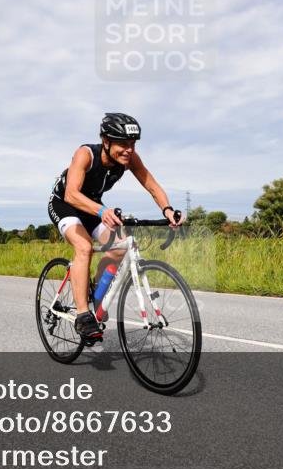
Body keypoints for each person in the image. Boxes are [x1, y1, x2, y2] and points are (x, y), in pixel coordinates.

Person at [47, 113, 183, 341]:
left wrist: (167, 210)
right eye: (123, 144)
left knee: (121, 245)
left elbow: (152, 186)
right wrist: (102, 211)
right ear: (106, 141)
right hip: (65, 204)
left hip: (93, 207)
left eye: (132, 144)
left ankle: (98, 295)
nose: (129, 150)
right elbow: (71, 194)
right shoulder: (85, 154)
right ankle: (83, 315)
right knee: (84, 247)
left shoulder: (130, 159)